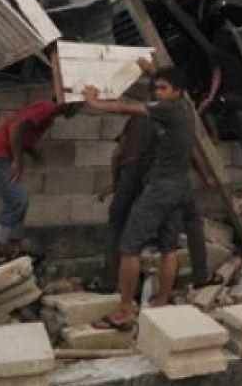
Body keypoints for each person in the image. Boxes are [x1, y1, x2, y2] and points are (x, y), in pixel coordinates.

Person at [81, 64, 197, 330]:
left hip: (161, 189)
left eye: (163, 88)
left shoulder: (166, 109)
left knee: (129, 246)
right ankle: (162, 303)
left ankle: (124, 311)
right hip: (181, 188)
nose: (157, 91)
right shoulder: (185, 108)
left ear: (177, 92)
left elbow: (126, 108)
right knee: (168, 248)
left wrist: (94, 101)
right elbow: (170, 82)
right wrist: (153, 71)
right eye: (156, 87)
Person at [95, 111, 214, 293]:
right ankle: (200, 277)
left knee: (117, 225)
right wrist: (206, 177)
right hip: (162, 177)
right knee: (189, 223)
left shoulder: (136, 118)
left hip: (130, 173)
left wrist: (116, 184)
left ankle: (109, 282)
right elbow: (191, 150)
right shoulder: (176, 116)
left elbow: (117, 154)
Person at [0, 95, 80, 270]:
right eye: (79, 105)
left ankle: (15, 249)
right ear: (70, 103)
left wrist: (33, 152)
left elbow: (23, 134)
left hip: (1, 157)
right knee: (17, 201)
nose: (79, 110)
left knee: (20, 203)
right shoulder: (47, 108)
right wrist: (18, 160)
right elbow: (15, 128)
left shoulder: (49, 115)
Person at [199, 26, 242, 199]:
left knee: (204, 110)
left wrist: (210, 97)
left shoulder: (216, 55)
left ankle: (215, 136)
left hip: (228, 99)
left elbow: (217, 75)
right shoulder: (235, 59)